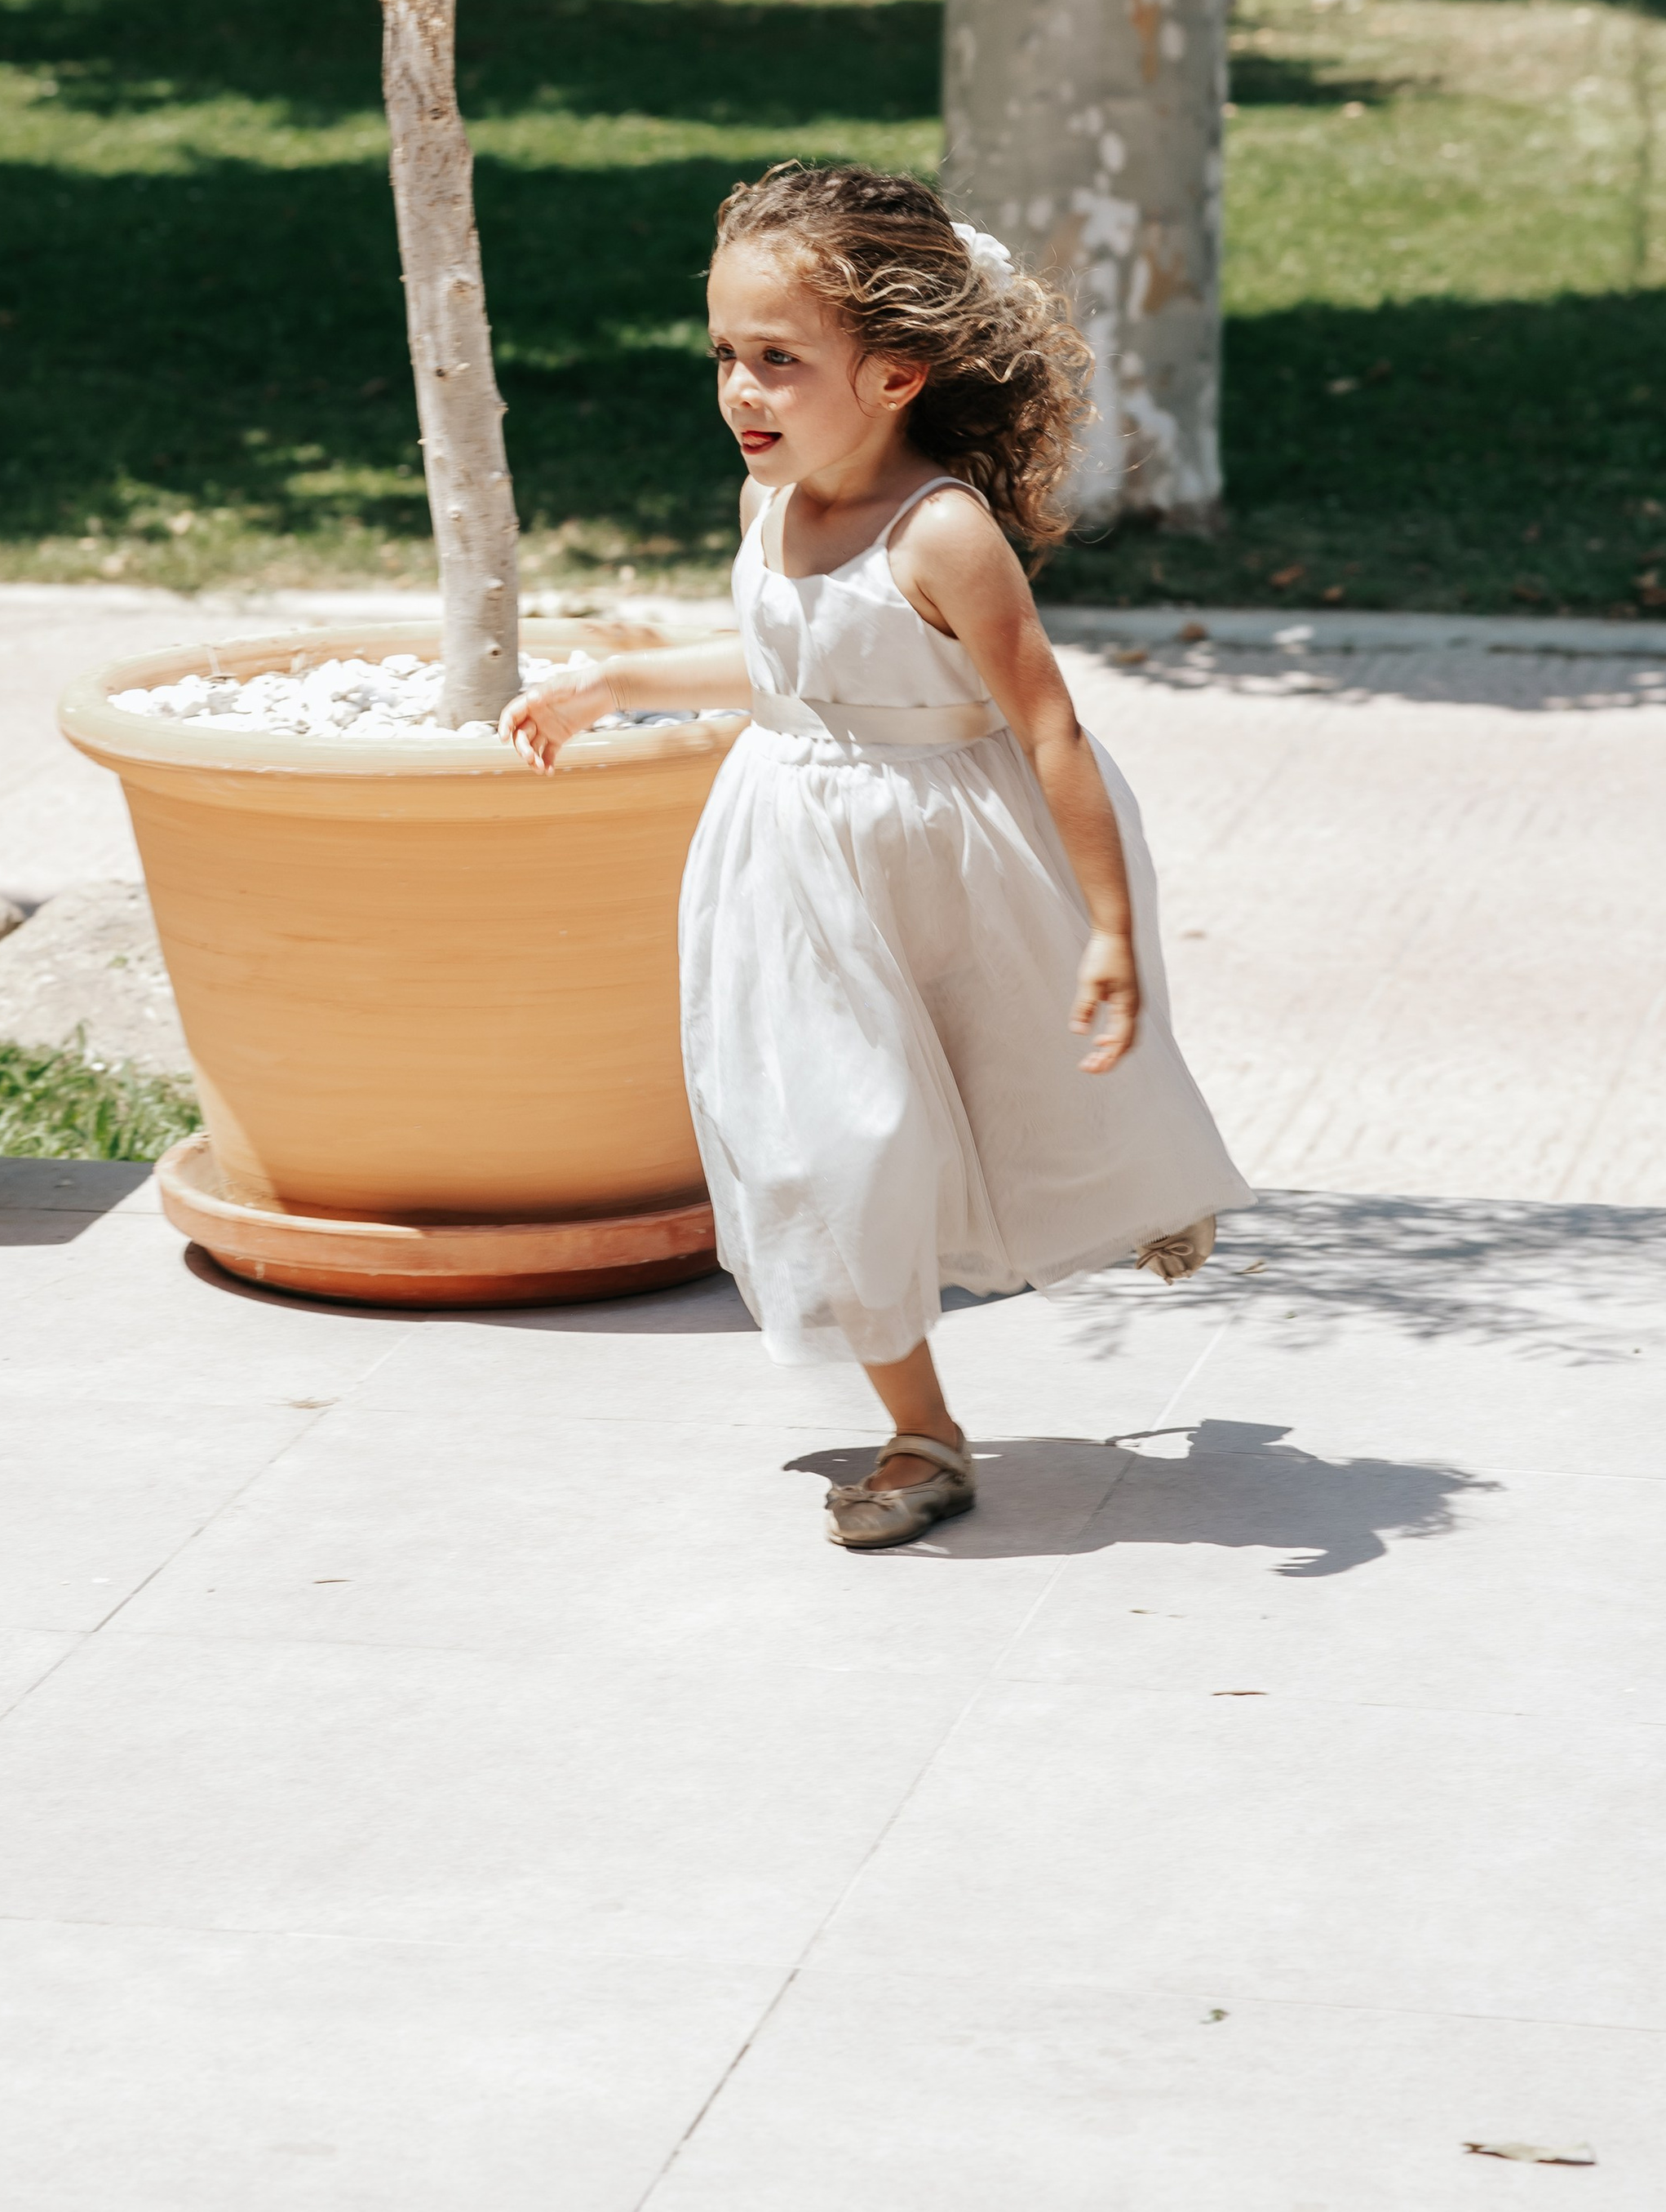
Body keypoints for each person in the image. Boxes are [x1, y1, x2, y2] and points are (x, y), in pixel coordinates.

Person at [501, 164, 1251, 1551]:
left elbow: (1053, 732)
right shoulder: (769, 505)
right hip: (792, 862)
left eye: (779, 361)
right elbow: (790, 661)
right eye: (726, 354)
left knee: (1023, 1079)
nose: (741, 391)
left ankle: (1154, 1184)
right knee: (836, 1141)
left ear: (897, 373)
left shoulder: (947, 535)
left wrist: (1108, 924)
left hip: (951, 851)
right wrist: (614, 681)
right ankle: (924, 1428)